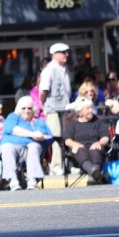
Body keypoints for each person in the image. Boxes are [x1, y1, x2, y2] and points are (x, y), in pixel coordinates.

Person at [0, 96, 53, 191]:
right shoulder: (13, 117)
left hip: (32, 150)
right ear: (18, 109)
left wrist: (41, 137)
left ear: (33, 110)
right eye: (23, 108)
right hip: (14, 148)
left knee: (33, 146)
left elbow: (49, 136)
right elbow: (11, 129)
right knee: (7, 147)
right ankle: (13, 181)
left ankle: (32, 180)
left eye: (29, 108)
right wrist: (32, 134)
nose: (26, 111)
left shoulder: (39, 122)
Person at [39, 42, 71, 175]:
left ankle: (66, 164)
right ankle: (56, 165)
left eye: (66, 52)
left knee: (66, 136)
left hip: (64, 107)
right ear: (55, 54)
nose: (66, 55)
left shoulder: (65, 69)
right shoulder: (49, 70)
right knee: (56, 137)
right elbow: (43, 91)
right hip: (53, 109)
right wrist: (44, 106)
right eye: (63, 52)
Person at [63, 97, 109, 184]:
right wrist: (73, 144)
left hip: (95, 148)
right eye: (87, 108)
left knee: (95, 149)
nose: (91, 110)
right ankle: (94, 173)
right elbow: (67, 140)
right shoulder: (73, 124)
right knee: (80, 150)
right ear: (80, 112)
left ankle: (93, 175)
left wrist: (99, 142)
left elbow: (105, 137)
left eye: (91, 108)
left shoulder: (97, 122)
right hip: (79, 151)